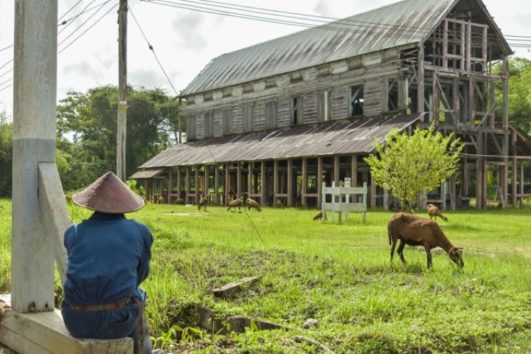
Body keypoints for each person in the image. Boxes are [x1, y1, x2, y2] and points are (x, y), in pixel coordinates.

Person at [61, 171, 154, 354]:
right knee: (138, 295)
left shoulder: (73, 233)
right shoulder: (140, 231)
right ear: (125, 206)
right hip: (118, 322)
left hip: (75, 320)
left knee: (130, 295)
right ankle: (144, 352)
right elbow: (141, 274)